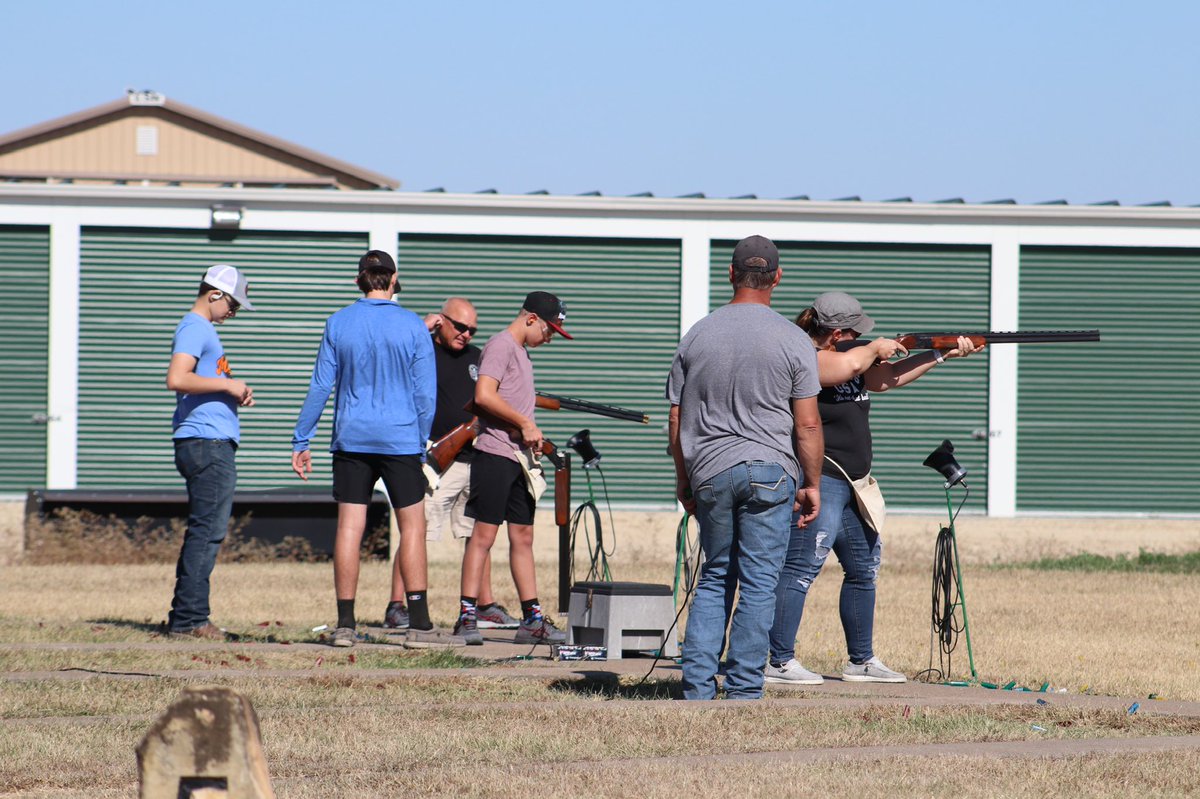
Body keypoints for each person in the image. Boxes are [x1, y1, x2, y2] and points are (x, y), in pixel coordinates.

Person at [766, 291, 981, 685]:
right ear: (838, 333)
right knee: (800, 568)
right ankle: (778, 661)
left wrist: (939, 354)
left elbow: (886, 379)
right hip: (822, 477)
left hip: (855, 482)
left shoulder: (853, 359)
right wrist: (876, 348)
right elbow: (843, 366)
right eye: (855, 332)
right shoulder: (803, 356)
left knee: (863, 570)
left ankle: (861, 660)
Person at [666, 235, 824, 700]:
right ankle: (743, 692)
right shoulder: (794, 340)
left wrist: (684, 478)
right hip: (772, 471)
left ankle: (696, 690)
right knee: (760, 582)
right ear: (777, 277)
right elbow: (809, 425)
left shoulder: (697, 334)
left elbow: (676, 418)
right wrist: (811, 483)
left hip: (711, 470)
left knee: (716, 575)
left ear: (731, 274)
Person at [291, 249, 462, 650]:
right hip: (401, 439)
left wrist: (302, 439)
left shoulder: (338, 322)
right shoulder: (412, 326)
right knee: (413, 527)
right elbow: (425, 393)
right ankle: (418, 625)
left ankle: (346, 624)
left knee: (350, 527)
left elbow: (320, 387)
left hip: (352, 437)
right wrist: (421, 439)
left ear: (359, 281)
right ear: (393, 278)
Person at [383, 297, 521, 636]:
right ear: (440, 321)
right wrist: (420, 326)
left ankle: (483, 605)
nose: (466, 334)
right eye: (460, 327)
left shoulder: (478, 358)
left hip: (476, 458)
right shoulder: (420, 347)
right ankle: (396, 606)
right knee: (415, 532)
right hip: (436, 456)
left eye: (472, 329)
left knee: (479, 533)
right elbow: (390, 356)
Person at [454, 292, 572, 646]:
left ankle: (532, 619)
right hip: (494, 455)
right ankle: (466, 616)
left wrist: (530, 431)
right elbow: (484, 396)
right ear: (531, 318)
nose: (549, 338)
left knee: (523, 537)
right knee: (484, 537)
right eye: (549, 330)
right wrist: (524, 422)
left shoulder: (522, 353)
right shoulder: (501, 345)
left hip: (519, 459)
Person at [165, 264, 256, 640]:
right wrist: (228, 385)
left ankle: (188, 616)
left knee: (205, 530)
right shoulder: (195, 327)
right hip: (206, 443)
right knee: (207, 532)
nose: (233, 313)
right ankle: (190, 620)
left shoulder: (203, 330)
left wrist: (229, 389)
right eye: (232, 305)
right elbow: (177, 378)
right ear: (214, 294)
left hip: (207, 440)